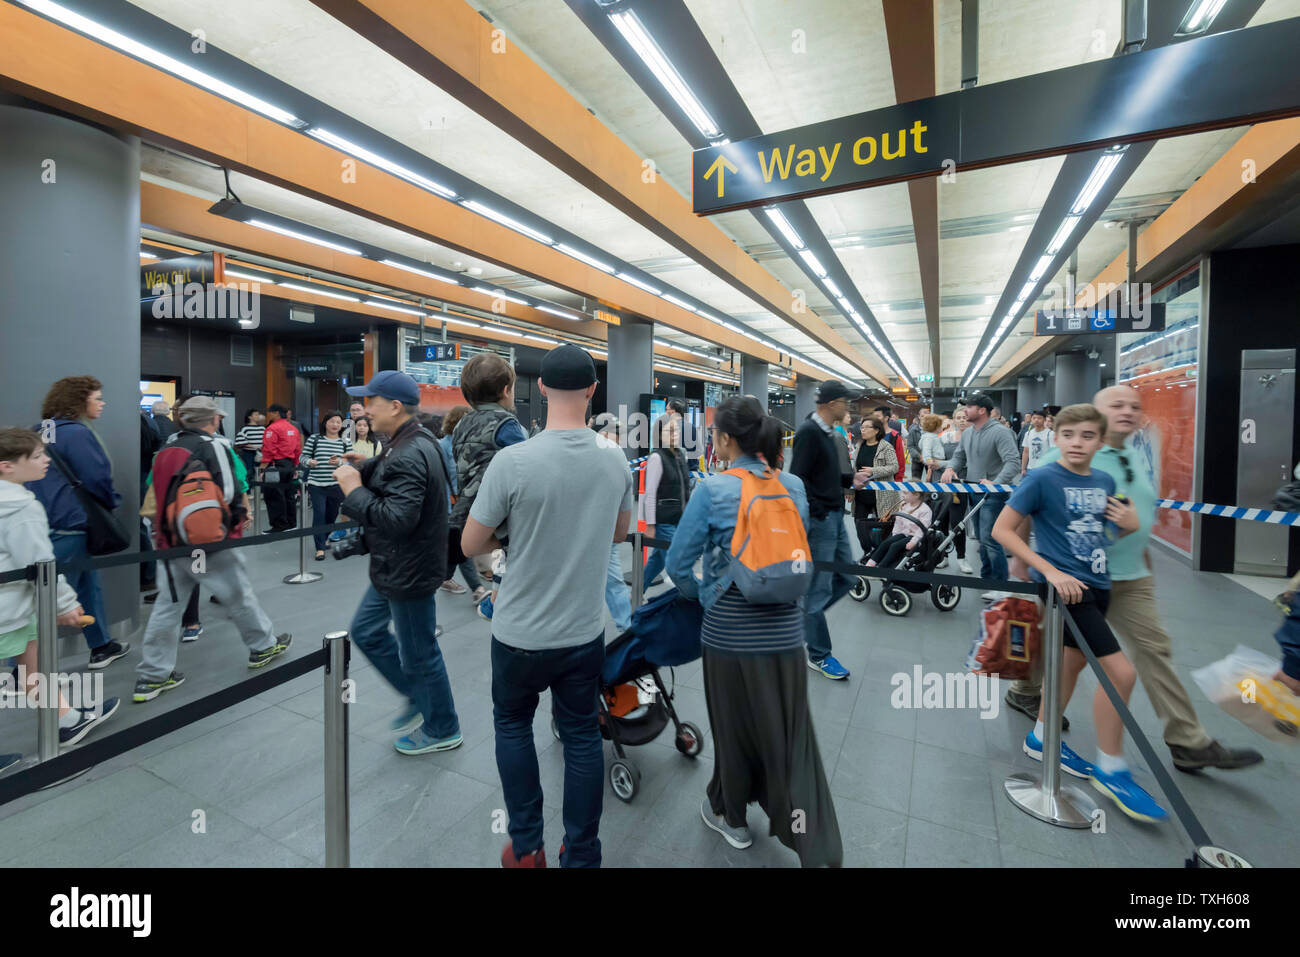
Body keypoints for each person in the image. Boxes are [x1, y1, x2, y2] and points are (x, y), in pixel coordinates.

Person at [1006, 387, 1262, 772]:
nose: (1127, 412)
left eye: (1134, 406)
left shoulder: (1132, 454)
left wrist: (1140, 546)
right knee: (1067, 653)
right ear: (1097, 412)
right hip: (1074, 575)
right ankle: (1031, 700)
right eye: (1117, 405)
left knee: (1152, 651)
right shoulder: (1071, 448)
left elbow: (1132, 513)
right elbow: (1027, 505)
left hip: (1127, 575)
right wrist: (1024, 562)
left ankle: (1187, 741)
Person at [461, 345, 633, 868]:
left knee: (513, 727)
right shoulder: (614, 457)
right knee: (581, 737)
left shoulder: (514, 461)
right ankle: (581, 853)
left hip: (518, 634)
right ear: (592, 391)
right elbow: (619, 533)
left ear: (538, 389)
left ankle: (528, 846)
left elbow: (471, 545)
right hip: (582, 634)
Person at [666, 396, 842, 867]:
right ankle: (807, 833)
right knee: (785, 733)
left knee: (733, 727)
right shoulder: (793, 485)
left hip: (729, 634)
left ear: (723, 439)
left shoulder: (713, 488)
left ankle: (734, 819)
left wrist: (703, 595)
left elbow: (677, 564)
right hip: (786, 634)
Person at [992, 403, 1169, 822]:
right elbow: (1003, 529)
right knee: (1121, 673)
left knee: (1069, 667)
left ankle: (1040, 736)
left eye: (1087, 436)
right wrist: (1048, 571)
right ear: (1056, 437)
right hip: (1069, 594)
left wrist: (1129, 521)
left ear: (1099, 441)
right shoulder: (1040, 478)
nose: (1077, 443)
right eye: (1069, 435)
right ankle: (1111, 767)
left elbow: (1109, 527)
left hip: (1100, 585)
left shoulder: (1105, 479)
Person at [133, 397, 293, 703]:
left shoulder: (166, 448)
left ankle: (153, 675)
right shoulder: (214, 445)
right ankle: (263, 646)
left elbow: (154, 492)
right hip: (207, 539)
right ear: (212, 419)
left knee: (168, 606)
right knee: (238, 594)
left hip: (171, 540)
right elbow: (229, 489)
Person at [336, 371, 461, 755]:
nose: (363, 410)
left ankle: (442, 727)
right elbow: (397, 476)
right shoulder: (412, 440)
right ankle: (417, 695)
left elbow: (397, 518)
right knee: (367, 630)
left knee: (420, 651)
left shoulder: (408, 449)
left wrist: (354, 489)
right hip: (397, 567)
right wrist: (368, 466)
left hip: (408, 570)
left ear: (394, 406)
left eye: (371, 402)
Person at [0, 427, 120, 756]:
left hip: (14, 606)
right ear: (7, 465)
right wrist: (64, 604)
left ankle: (67, 719)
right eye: (37, 456)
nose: (46, 462)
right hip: (7, 608)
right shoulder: (20, 508)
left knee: (30, 662)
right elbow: (40, 564)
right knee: (30, 662)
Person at [27, 376, 129, 669]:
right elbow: (97, 479)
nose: (102, 403)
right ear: (79, 401)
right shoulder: (78, 434)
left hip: (45, 524)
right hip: (71, 524)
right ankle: (22, 669)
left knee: (87, 586)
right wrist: (111, 504)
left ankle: (101, 645)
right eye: (97, 398)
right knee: (46, 605)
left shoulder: (39, 431)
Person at [449, 353, 528, 622]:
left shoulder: (461, 423)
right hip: (501, 504)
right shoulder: (508, 425)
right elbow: (524, 468)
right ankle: (496, 601)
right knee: (512, 550)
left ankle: (495, 597)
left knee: (502, 553)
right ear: (506, 390)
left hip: (473, 508)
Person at [791, 380, 862, 681]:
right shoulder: (809, 432)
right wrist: (817, 510)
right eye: (845, 401)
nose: (848, 406)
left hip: (836, 515)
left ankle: (804, 616)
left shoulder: (829, 432)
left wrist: (849, 481)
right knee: (818, 589)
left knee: (846, 577)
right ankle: (819, 654)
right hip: (822, 520)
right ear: (831, 403)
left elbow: (825, 475)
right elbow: (798, 478)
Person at [939, 394, 1019, 581]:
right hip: (973, 492)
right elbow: (960, 457)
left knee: (990, 538)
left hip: (994, 494)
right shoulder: (968, 433)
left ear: (981, 410)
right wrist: (950, 468)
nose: (965, 410)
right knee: (982, 540)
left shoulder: (1000, 432)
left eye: (969, 407)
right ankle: (987, 578)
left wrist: (996, 483)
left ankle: (999, 584)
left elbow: (1013, 462)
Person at [640, 403, 690, 589]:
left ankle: (637, 591)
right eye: (669, 431)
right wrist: (650, 524)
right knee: (675, 562)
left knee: (656, 562)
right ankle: (689, 596)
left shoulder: (679, 455)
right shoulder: (656, 458)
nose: (674, 434)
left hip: (679, 519)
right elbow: (650, 493)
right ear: (660, 434)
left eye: (676, 431)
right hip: (665, 522)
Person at [594, 413, 632, 634]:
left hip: (605, 533)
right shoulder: (602, 457)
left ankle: (628, 628)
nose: (619, 438)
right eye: (616, 433)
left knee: (614, 582)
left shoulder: (616, 457)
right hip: (594, 533)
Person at [300, 410, 352, 561]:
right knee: (319, 514)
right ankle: (320, 548)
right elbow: (303, 456)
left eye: (338, 422)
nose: (335, 424)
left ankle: (325, 536)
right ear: (325, 423)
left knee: (331, 515)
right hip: (316, 484)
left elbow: (350, 461)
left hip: (337, 485)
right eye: (332, 421)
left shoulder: (345, 441)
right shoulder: (315, 439)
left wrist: (340, 462)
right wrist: (309, 462)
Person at [850, 416, 898, 557]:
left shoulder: (885, 447)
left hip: (881, 495)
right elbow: (854, 468)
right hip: (861, 494)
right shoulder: (859, 446)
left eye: (866, 427)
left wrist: (874, 471)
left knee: (882, 526)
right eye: (861, 427)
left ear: (876, 430)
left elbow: (894, 467)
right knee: (859, 525)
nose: (862, 430)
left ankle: (880, 555)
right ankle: (867, 552)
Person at [939, 410, 973, 574]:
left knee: (957, 521)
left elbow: (972, 461)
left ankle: (961, 557)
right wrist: (946, 466)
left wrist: (950, 465)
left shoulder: (975, 437)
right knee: (942, 520)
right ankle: (943, 556)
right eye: (958, 418)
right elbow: (935, 459)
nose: (962, 421)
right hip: (945, 483)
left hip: (966, 483)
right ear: (953, 420)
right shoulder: (945, 437)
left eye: (965, 418)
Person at [260, 403, 302, 532]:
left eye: (270, 412)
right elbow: (297, 450)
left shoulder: (272, 429)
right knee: (289, 495)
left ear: (276, 413)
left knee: (274, 496)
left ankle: (279, 525)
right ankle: (291, 523)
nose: (269, 415)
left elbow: (268, 450)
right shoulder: (293, 429)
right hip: (289, 465)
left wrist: (262, 468)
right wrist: (295, 466)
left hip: (275, 466)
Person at [863, 490, 931, 568]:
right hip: (904, 533)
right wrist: (894, 535)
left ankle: (881, 568)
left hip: (916, 536)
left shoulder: (925, 510)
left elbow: (922, 529)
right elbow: (898, 522)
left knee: (895, 546)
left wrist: (914, 541)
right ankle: (870, 563)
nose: (902, 495)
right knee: (885, 543)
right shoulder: (904, 505)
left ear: (916, 495)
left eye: (905, 493)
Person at [873, 406, 907, 481]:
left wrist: (898, 479)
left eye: (877, 416)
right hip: (870, 477)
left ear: (886, 418)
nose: (874, 419)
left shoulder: (895, 436)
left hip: (889, 478)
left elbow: (900, 460)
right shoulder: (871, 434)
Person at [1020, 409, 1055, 477]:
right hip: (1031, 468)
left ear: (1044, 419)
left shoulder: (1050, 434)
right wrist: (1023, 468)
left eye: (1039, 418)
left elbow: (1053, 453)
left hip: (1045, 469)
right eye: (1034, 418)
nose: (1036, 420)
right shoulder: (1028, 433)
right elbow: (1026, 451)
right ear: (1031, 420)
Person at [234, 409, 265, 477]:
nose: (258, 416)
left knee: (261, 473)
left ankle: (258, 487)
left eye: (258, 414)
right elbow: (239, 442)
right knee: (249, 472)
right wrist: (254, 447)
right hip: (248, 454)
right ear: (250, 417)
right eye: (256, 414)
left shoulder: (262, 428)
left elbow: (266, 440)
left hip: (261, 454)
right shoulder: (245, 429)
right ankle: (250, 487)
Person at [907, 405, 930, 479]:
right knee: (915, 480)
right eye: (923, 416)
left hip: (931, 460)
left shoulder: (934, 430)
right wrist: (920, 456)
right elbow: (910, 446)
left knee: (932, 480)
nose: (925, 418)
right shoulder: (913, 430)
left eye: (927, 416)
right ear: (919, 417)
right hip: (917, 459)